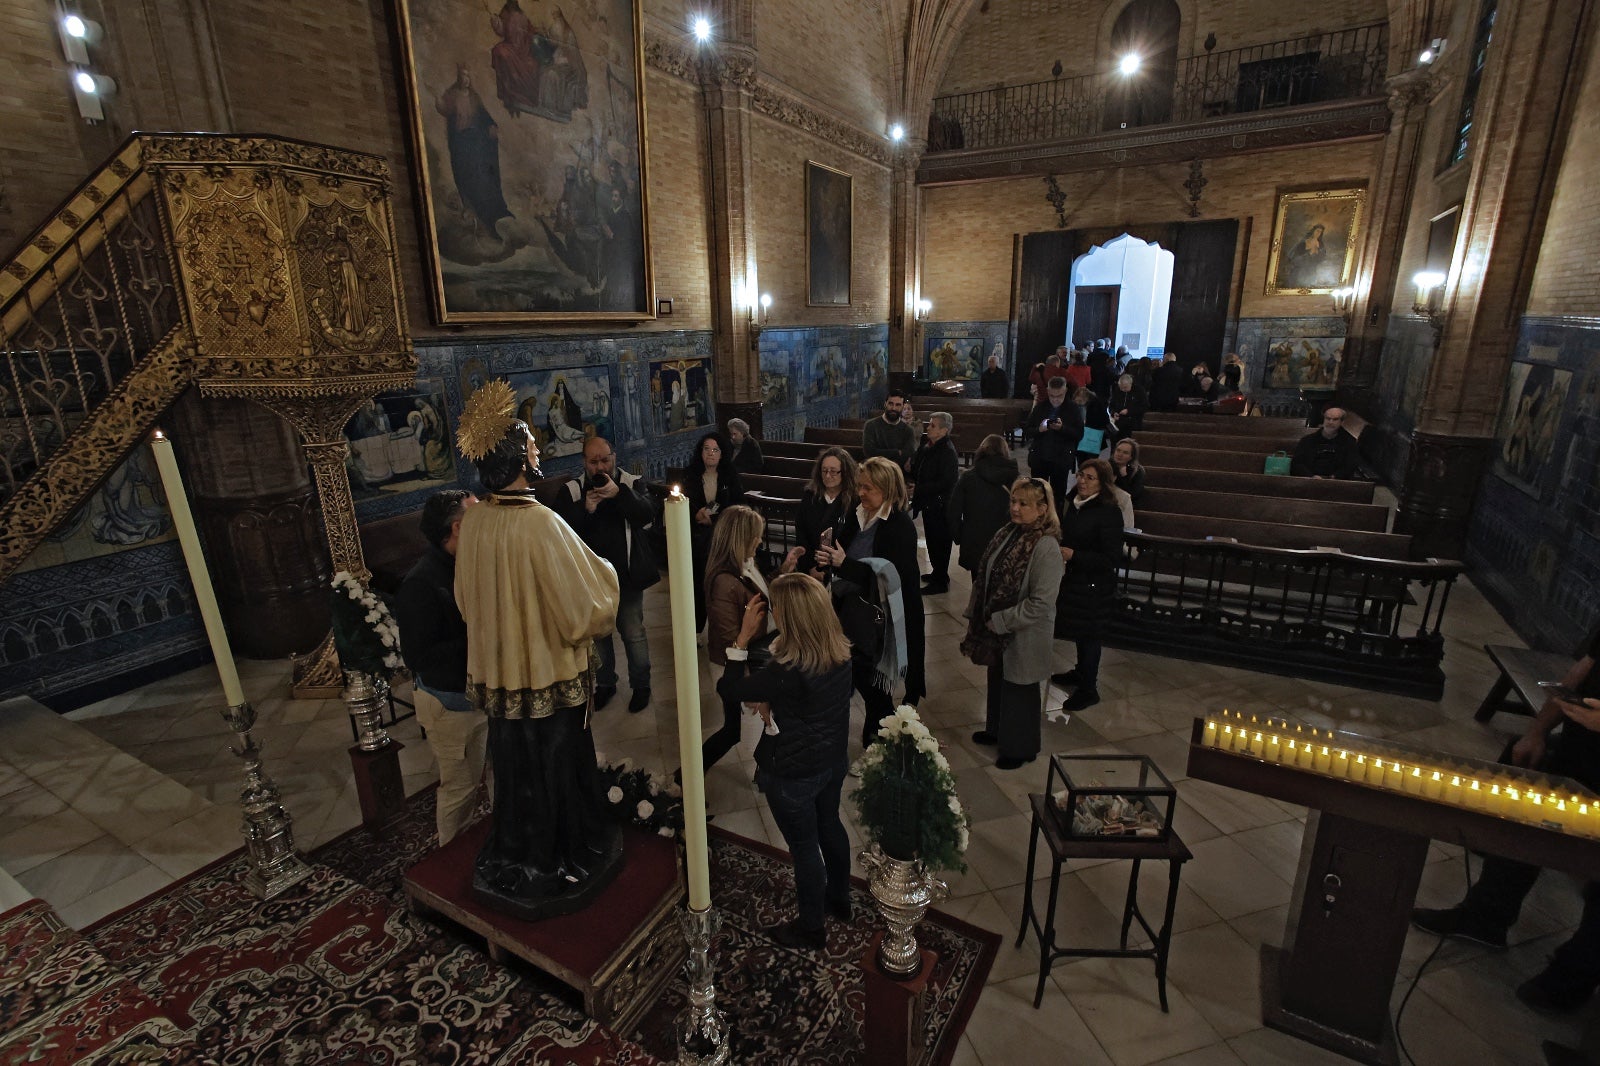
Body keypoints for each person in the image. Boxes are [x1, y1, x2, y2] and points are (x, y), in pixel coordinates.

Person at [452, 380, 622, 920]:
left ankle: (516, 851)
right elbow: (587, 608)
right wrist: (609, 578)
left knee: (514, 765)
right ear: (514, 455)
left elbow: (465, 600)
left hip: (504, 675)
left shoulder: (476, 520)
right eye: (529, 442)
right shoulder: (540, 524)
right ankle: (559, 856)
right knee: (555, 766)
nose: (538, 449)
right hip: (548, 676)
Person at [1411, 626, 1600, 1011]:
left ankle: (1571, 979)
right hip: (1582, 749)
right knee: (1523, 826)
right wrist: (1537, 731)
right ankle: (1485, 917)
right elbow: (1583, 669)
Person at [718, 573, 855, 951]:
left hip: (793, 773)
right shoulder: (839, 651)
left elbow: (729, 689)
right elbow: (811, 701)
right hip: (831, 760)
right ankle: (839, 900)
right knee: (830, 823)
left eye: (776, 608)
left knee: (804, 847)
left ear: (790, 618)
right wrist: (775, 702)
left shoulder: (786, 672)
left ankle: (812, 928)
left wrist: (743, 638)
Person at [396, 489, 487, 845]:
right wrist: (482, 634)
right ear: (458, 527)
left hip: (483, 692)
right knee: (461, 787)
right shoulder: (421, 583)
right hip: (451, 702)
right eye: (478, 516)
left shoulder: (472, 562)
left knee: (501, 773)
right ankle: (450, 858)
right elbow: (420, 656)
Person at [815, 457, 926, 747]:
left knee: (873, 682)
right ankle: (883, 740)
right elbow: (845, 551)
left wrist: (845, 564)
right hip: (852, 612)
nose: (861, 493)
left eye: (869, 489)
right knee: (866, 679)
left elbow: (892, 576)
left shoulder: (899, 526)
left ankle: (881, 743)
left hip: (881, 618)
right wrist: (830, 558)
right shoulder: (858, 514)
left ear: (888, 491)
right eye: (861, 487)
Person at [964, 478, 1064, 770]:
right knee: (999, 683)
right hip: (997, 629)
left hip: (1024, 632)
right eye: (1013, 502)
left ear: (1042, 509)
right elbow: (988, 574)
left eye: (1023, 504)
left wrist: (1002, 620)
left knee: (1020, 689)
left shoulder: (1046, 547)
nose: (1015, 508)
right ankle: (997, 730)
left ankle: (1020, 748)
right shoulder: (1009, 532)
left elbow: (1041, 603)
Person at [554, 436, 658, 714]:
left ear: (614, 457)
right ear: (584, 462)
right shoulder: (573, 491)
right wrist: (585, 510)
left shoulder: (632, 483)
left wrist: (619, 494)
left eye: (605, 460)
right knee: (599, 639)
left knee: (633, 633)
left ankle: (641, 685)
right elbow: (561, 535)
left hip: (626, 576)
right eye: (593, 461)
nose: (600, 467)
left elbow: (647, 515)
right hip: (591, 580)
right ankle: (606, 684)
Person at [702, 506, 803, 772]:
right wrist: (747, 680)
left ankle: (763, 770)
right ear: (740, 538)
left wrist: (783, 569)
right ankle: (685, 777)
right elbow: (728, 638)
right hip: (734, 664)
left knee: (744, 726)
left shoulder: (744, 565)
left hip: (753, 654)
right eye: (755, 536)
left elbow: (759, 593)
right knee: (733, 730)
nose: (760, 541)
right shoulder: (725, 581)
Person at [1051, 458, 1124, 712]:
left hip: (1096, 585)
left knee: (1090, 635)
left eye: (1089, 478)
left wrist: (1075, 555)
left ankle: (1088, 689)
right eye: (1081, 475)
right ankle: (1080, 672)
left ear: (1103, 484)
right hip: (1078, 580)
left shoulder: (1108, 512)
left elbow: (1111, 557)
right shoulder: (1077, 505)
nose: (1082, 480)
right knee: (1081, 631)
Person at [686, 431, 745, 631]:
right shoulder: (691, 475)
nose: (710, 453)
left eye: (715, 450)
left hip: (723, 535)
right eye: (706, 449)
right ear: (700, 452)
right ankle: (696, 627)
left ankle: (725, 624)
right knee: (698, 580)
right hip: (696, 535)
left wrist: (716, 520)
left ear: (721, 454)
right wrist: (696, 514)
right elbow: (683, 501)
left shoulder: (730, 475)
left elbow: (737, 504)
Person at [949, 434, 1020, 579]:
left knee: (977, 584)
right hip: (1005, 540)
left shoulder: (968, 477)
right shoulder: (1015, 478)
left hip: (975, 539)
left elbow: (953, 512)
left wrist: (961, 536)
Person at [910, 412, 960, 594]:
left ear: (944, 430)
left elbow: (945, 482)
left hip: (940, 505)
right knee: (932, 539)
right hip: (929, 503)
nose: (928, 428)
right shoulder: (929, 445)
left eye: (932, 425)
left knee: (940, 542)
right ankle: (938, 573)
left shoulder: (946, 451)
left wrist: (918, 489)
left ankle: (940, 581)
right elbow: (922, 466)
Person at [796, 447, 858, 577]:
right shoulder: (810, 496)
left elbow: (853, 538)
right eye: (824, 471)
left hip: (838, 570)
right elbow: (801, 534)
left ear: (845, 472)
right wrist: (811, 567)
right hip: (810, 566)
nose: (828, 476)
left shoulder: (854, 501)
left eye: (834, 471)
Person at [1023, 376, 1084, 504]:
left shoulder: (1073, 409)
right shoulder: (1041, 407)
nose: (1055, 399)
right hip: (1040, 457)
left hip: (1061, 459)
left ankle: (1057, 522)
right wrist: (1039, 430)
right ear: (1047, 391)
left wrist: (1062, 428)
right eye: (1052, 396)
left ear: (1065, 391)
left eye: (1059, 396)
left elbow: (1079, 434)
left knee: (1058, 496)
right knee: (1038, 496)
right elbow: (1027, 430)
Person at [1290, 407, 1360, 479]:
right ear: (1323, 419)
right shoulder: (1307, 440)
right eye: (1328, 418)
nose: (1330, 422)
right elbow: (1297, 463)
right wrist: (1311, 476)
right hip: (1309, 481)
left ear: (1341, 422)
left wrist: (1335, 477)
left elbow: (1350, 465)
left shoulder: (1349, 442)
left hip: (1337, 484)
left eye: (1335, 419)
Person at [862, 390, 917, 471]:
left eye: (898, 405)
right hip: (875, 471)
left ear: (903, 406)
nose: (893, 408)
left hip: (897, 472)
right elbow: (869, 451)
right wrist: (897, 452)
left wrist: (881, 452)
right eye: (890, 404)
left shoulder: (908, 430)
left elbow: (908, 454)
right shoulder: (871, 425)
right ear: (885, 404)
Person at [1071, 386, 1111, 463]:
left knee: (1090, 461)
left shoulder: (1097, 404)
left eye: (1080, 401)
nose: (1078, 403)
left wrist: (1087, 423)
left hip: (1093, 436)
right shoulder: (1081, 405)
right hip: (1083, 436)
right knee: (1081, 460)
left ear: (1086, 398)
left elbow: (1105, 420)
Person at [1109, 437, 1146, 509]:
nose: (1120, 454)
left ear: (1131, 457)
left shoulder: (1138, 471)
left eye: (1125, 453)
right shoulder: (1106, 466)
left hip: (1126, 505)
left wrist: (1124, 477)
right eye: (1118, 450)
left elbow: (1132, 496)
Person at [1109, 373, 1148, 438]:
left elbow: (1145, 406)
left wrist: (1129, 411)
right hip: (1118, 423)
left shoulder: (1139, 390)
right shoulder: (1117, 390)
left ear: (1131, 383)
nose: (1123, 390)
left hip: (1133, 424)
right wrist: (1113, 412)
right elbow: (1111, 405)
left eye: (1125, 387)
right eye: (1121, 387)